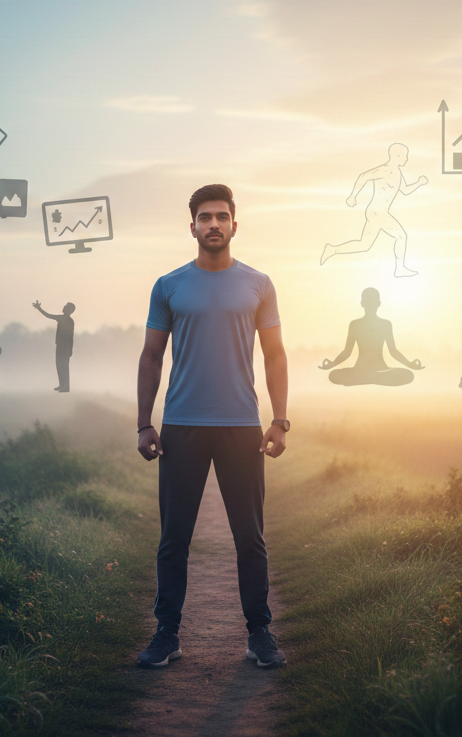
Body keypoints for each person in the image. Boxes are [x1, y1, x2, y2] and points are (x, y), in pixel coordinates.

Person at [136, 183, 289, 669]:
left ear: (234, 225)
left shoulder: (258, 284)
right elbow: (151, 355)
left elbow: (275, 355)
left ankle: (259, 632)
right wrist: (144, 423)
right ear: (193, 227)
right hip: (182, 425)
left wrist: (279, 421)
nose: (214, 224)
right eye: (205, 217)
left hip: (242, 425)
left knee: (250, 537)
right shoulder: (169, 285)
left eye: (222, 216)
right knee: (174, 537)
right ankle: (166, 633)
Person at [320, 143, 428, 276]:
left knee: (364, 245)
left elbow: (404, 190)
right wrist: (353, 196)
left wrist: (419, 183)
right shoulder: (386, 170)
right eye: (405, 155)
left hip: (378, 213)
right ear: (397, 155)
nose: (406, 158)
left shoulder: (397, 172)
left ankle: (333, 250)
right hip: (377, 212)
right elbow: (363, 176)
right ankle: (399, 269)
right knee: (401, 236)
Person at [319, 288, 424, 386]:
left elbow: (393, 351)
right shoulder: (355, 324)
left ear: (378, 304)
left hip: (379, 370)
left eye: (372, 301)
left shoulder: (385, 324)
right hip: (363, 370)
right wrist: (332, 364)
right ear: (362, 304)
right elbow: (347, 351)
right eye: (368, 301)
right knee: (333, 375)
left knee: (408, 374)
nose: (370, 304)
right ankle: (375, 378)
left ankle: (366, 378)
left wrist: (409, 364)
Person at [33, 301, 75, 392]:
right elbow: (48, 315)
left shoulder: (67, 320)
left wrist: (70, 348)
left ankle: (66, 386)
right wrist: (39, 308)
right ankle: (62, 385)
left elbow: (71, 336)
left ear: (69, 310)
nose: (63, 307)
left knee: (64, 366)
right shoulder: (62, 318)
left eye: (65, 307)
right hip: (60, 345)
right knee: (59, 365)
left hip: (64, 347)